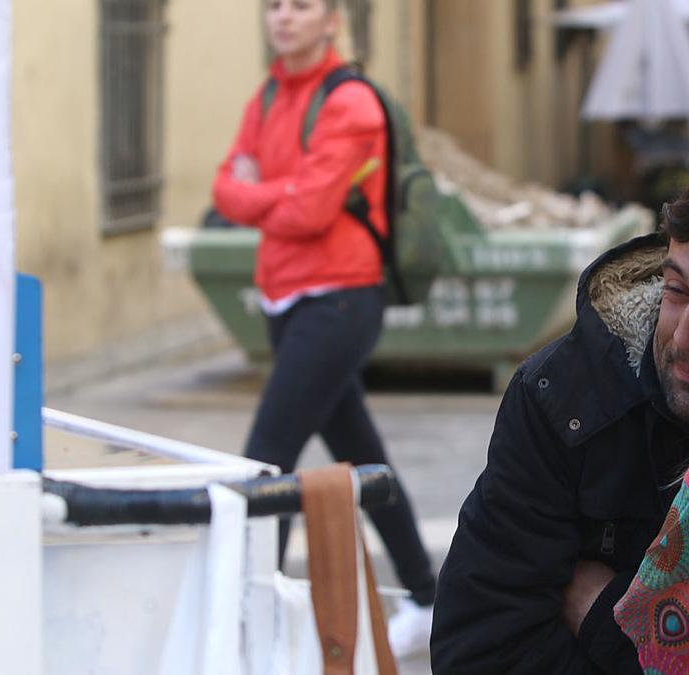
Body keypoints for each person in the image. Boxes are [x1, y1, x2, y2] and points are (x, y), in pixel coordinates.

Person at [432, 158, 689, 673]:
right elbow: (478, 651)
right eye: (676, 291)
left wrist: (605, 614)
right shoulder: (562, 397)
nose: (688, 336)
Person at [211, 0, 435, 658]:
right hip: (284, 298)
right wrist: (275, 193)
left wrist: (262, 191)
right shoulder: (267, 96)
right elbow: (223, 188)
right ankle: (426, 597)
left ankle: (252, 621)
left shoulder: (352, 103)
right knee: (360, 454)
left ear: (333, 19)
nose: (283, 17)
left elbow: (308, 211)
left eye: (301, 5)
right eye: (274, 6)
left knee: (266, 458)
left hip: (340, 299)